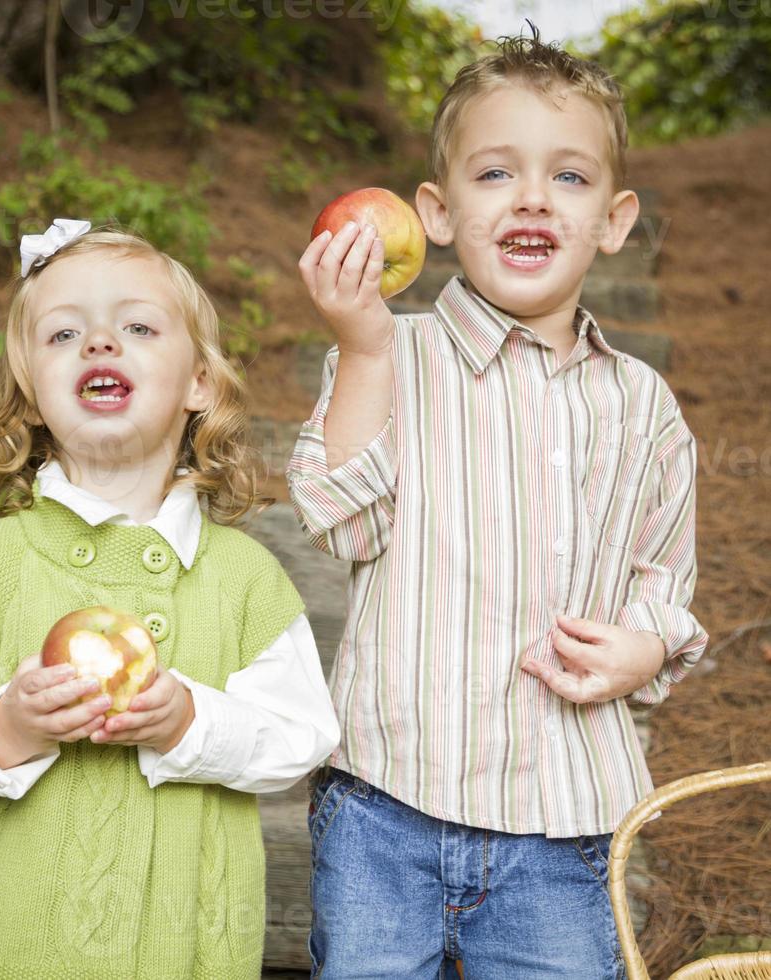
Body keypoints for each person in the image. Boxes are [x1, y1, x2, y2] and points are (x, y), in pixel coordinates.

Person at [287, 28, 708, 980]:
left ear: (614, 217)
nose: (528, 197)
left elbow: (663, 579)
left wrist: (644, 646)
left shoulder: (641, 404)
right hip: (383, 811)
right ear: (433, 211)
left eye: (567, 177)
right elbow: (340, 518)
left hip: (563, 826)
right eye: (493, 173)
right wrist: (358, 347)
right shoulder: (390, 358)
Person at [0, 220, 339, 979]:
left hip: (178, 947)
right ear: (28, 395)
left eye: (137, 326)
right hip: (1, 943)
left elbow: (298, 739)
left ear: (199, 384)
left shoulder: (246, 579)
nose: (97, 344)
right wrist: (7, 724)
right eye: (62, 335)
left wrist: (190, 720)